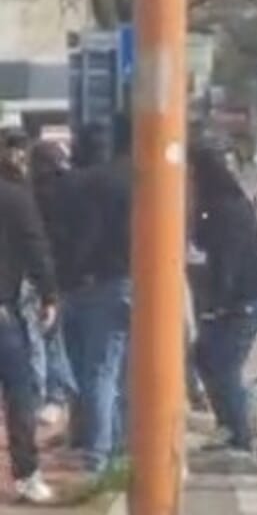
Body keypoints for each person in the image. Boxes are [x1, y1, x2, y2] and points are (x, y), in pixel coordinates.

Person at [190, 144, 257, 453]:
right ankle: (230, 424)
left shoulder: (225, 209)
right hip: (239, 297)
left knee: (224, 364)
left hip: (243, 298)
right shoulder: (222, 204)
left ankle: (240, 432)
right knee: (207, 358)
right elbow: (202, 242)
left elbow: (228, 261)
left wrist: (219, 304)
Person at [63, 116, 132, 474]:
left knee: (91, 371)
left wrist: (71, 270)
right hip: (125, 279)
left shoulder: (74, 184)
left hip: (83, 283)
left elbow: (71, 235)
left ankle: (99, 450)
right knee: (112, 370)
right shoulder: (129, 181)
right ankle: (114, 445)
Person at [0, 142, 59, 503]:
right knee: (19, 391)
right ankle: (26, 473)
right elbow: (35, 247)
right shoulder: (14, 197)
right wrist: (49, 294)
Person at [28, 141, 77, 426]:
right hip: (70, 272)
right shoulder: (72, 190)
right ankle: (60, 395)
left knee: (49, 337)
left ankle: (55, 394)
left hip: (46, 274)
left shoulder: (36, 194)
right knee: (56, 337)